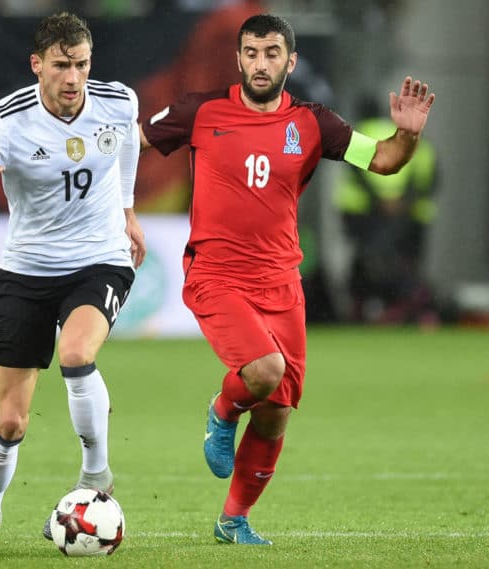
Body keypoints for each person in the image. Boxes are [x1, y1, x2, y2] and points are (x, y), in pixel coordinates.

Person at [139, 13, 434, 545]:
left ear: (290, 61)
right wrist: (118, 207)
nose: (260, 63)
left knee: (275, 414)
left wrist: (407, 135)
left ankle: (234, 521)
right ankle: (221, 410)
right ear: (238, 57)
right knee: (264, 371)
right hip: (216, 275)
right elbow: (127, 146)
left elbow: (386, 160)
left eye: (271, 53)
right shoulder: (200, 111)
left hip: (281, 284)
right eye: (251, 53)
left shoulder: (313, 123)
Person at [0, 11, 146, 553]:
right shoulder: (6, 121)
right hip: (26, 270)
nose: (73, 77)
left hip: (100, 259)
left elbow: (126, 145)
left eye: (81, 64)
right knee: (11, 420)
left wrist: (127, 209)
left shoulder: (118, 101)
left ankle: (96, 476)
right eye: (61, 65)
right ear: (38, 65)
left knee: (76, 353)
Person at [333, 95, 438, 324]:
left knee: (369, 260)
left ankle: (368, 306)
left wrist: (379, 201)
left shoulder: (360, 132)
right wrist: (403, 202)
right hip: (410, 213)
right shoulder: (414, 141)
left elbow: (358, 169)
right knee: (404, 262)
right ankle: (411, 308)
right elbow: (426, 179)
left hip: (362, 210)